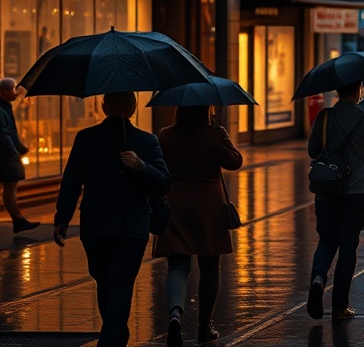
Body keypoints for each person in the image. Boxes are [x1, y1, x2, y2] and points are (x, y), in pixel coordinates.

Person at [53, 91, 171, 347]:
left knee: (106, 284)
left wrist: (62, 217)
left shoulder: (86, 139)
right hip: (132, 225)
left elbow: (72, 180)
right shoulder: (147, 141)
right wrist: (143, 166)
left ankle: (110, 339)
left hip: (96, 224)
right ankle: (116, 335)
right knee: (118, 286)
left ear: (104, 106)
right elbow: (164, 183)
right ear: (133, 107)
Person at [154, 105, 243, 346]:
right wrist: (221, 136)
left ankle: (175, 316)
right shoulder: (213, 134)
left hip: (176, 206)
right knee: (210, 266)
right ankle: (205, 327)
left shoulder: (165, 135)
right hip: (208, 208)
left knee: (177, 264)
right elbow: (235, 161)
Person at [305, 82, 364, 321]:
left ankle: (318, 279)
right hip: (355, 194)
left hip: (326, 191)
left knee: (327, 240)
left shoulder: (325, 117)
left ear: (337, 91)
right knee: (348, 248)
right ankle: (339, 307)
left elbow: (313, 150)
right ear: (359, 91)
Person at [1, 78, 39, 233]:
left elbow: (8, 133)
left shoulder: (5, 108)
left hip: (6, 156)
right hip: (5, 157)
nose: (14, 93)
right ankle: (17, 220)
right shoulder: (2, 109)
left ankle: (18, 219)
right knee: (10, 189)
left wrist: (19, 147)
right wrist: (15, 152)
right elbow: (3, 135)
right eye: (11, 90)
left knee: (9, 188)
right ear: (2, 92)